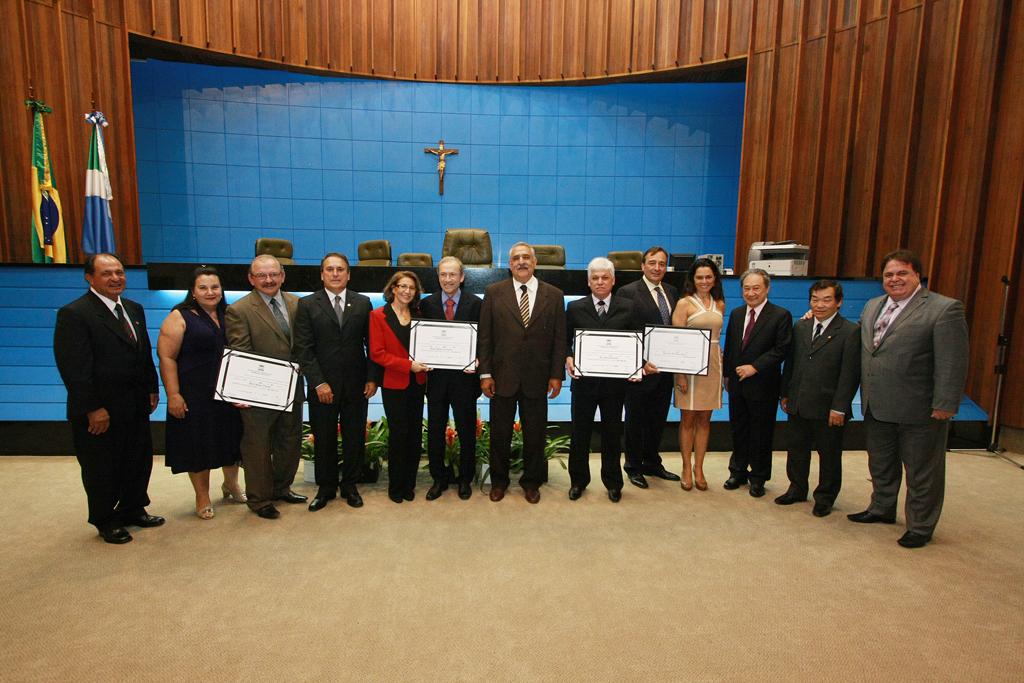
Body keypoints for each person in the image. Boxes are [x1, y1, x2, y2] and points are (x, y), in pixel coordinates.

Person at [847, 250, 969, 548]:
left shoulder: (944, 309)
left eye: (902, 273)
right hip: (877, 404)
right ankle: (882, 508)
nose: (895, 279)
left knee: (922, 471)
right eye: (889, 274)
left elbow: (952, 361)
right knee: (881, 463)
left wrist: (945, 403)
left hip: (920, 407)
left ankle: (920, 525)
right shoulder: (873, 306)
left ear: (917, 276)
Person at [53, 253, 163, 544]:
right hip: (100, 410)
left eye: (119, 272)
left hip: (135, 404)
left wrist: (153, 387)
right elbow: (74, 368)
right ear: (90, 278)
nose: (115, 278)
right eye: (106, 273)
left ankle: (133, 508)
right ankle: (105, 518)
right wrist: (92, 408)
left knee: (137, 459)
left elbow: (143, 354)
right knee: (102, 466)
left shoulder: (133, 309)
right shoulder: (75, 314)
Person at [478, 242, 566, 504]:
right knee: (500, 435)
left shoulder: (554, 294)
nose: (521, 262)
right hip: (502, 377)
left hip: (537, 378)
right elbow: (485, 337)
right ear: (509, 264)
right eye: (516, 258)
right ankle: (499, 482)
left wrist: (556, 374)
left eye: (526, 257)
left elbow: (559, 340)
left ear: (535, 262)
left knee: (535, 435)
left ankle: (531, 482)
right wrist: (485, 374)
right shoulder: (494, 292)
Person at [293, 253, 379, 512]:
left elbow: (371, 346)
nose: (335, 274)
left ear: (348, 274)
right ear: (322, 274)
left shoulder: (363, 303)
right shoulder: (307, 305)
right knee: (324, 438)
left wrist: (372, 378)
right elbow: (303, 349)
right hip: (323, 387)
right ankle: (326, 487)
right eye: (329, 269)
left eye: (340, 269)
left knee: (354, 438)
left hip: (356, 385)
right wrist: (318, 383)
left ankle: (350, 485)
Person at [157, 266, 245, 520]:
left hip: (227, 392)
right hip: (193, 393)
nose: (210, 292)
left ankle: (231, 484)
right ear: (193, 291)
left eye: (215, 287)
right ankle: (202, 496)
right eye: (203, 287)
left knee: (232, 440)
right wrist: (173, 394)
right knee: (198, 446)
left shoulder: (230, 314)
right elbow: (167, 357)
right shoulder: (180, 316)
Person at [225, 255, 306, 519]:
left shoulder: (297, 303)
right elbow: (240, 352)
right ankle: (259, 499)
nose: (269, 280)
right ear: (251, 278)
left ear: (282, 275)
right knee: (258, 445)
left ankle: (282, 487)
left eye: (273, 274)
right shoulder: (239, 309)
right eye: (262, 275)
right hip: (258, 390)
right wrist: (244, 389)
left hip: (292, 386)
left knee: (289, 439)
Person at [776, 280, 860, 517]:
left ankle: (825, 496)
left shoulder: (850, 332)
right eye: (815, 299)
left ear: (839, 302)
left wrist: (840, 407)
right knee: (796, 449)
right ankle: (797, 488)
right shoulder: (801, 326)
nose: (820, 305)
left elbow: (849, 374)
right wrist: (785, 393)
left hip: (829, 407)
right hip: (799, 401)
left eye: (826, 299)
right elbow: (791, 364)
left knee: (829, 453)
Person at [565, 257, 633, 502]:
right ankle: (578, 481)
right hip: (584, 383)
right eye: (595, 278)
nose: (600, 282)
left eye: (605, 277)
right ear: (588, 281)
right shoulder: (575, 308)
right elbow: (564, 340)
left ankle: (613, 482)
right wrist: (568, 356)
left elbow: (638, 342)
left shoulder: (629, 307)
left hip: (615, 385)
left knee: (612, 434)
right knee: (579, 433)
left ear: (613, 281)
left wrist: (636, 366)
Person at [722, 268, 792, 498]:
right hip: (737, 384)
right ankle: (738, 471)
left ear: (767, 288)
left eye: (756, 288)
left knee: (761, 433)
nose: (751, 293)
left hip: (763, 384)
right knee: (738, 429)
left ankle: (759, 476)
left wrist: (755, 367)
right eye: (746, 288)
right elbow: (732, 347)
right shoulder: (737, 313)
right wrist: (726, 374)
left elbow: (781, 349)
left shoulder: (780, 315)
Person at [419, 256, 482, 501]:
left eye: (453, 274)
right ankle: (439, 478)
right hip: (435, 381)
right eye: (443, 275)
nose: (448, 279)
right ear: (438, 277)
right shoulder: (427, 304)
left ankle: (465, 479)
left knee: (467, 431)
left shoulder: (476, 304)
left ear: (462, 277)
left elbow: (484, 338)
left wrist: (478, 361)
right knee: (435, 431)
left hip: (465, 381)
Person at [619, 246, 681, 488]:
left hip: (666, 370)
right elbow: (624, 331)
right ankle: (633, 466)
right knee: (635, 420)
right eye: (652, 263)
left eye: (662, 263)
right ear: (642, 265)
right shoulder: (627, 292)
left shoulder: (672, 291)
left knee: (658, 419)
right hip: (640, 371)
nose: (657, 268)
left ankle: (652, 463)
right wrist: (640, 364)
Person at [369, 272, 430, 503]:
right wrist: (408, 366)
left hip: (417, 383)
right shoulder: (377, 316)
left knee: (414, 434)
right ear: (393, 288)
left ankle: (409, 484)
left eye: (411, 288)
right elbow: (377, 353)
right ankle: (396, 485)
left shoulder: (420, 314)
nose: (406, 291)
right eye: (402, 286)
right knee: (398, 434)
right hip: (395, 383)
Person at [670, 257, 726, 492]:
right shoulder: (684, 303)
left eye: (708, 277)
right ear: (692, 279)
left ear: (715, 280)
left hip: (713, 364)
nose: (704, 281)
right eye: (699, 277)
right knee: (688, 419)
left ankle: (699, 467)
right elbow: (676, 341)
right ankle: (685, 466)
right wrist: (680, 374)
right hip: (689, 367)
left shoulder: (719, 303)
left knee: (705, 419)